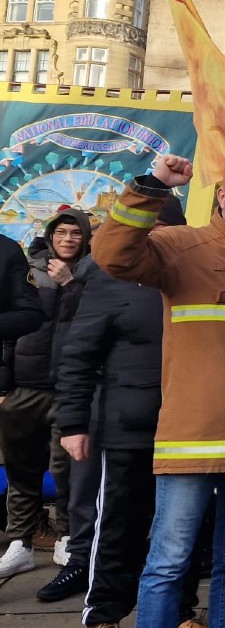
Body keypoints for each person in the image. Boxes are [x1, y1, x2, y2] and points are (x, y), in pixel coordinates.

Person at [90, 156, 225, 628]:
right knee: (167, 564)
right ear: (221, 196)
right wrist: (154, 185)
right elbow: (112, 253)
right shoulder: (183, 245)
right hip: (192, 443)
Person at [46, 199, 186, 621]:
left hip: (186, 427)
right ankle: (104, 612)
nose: (155, 236)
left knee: (178, 532)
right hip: (126, 428)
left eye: (165, 228)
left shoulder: (190, 277)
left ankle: (177, 609)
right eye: (149, 227)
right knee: (117, 528)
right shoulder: (103, 277)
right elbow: (76, 354)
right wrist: (72, 423)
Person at [0, 208, 96, 579]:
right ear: (50, 235)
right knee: (21, 467)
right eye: (61, 232)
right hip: (25, 384)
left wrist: (72, 284)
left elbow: (91, 323)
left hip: (69, 388)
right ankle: (19, 542)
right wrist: (5, 386)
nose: (68, 239)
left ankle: (66, 536)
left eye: (75, 233)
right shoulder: (30, 267)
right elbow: (11, 328)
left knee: (67, 469)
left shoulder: (93, 273)